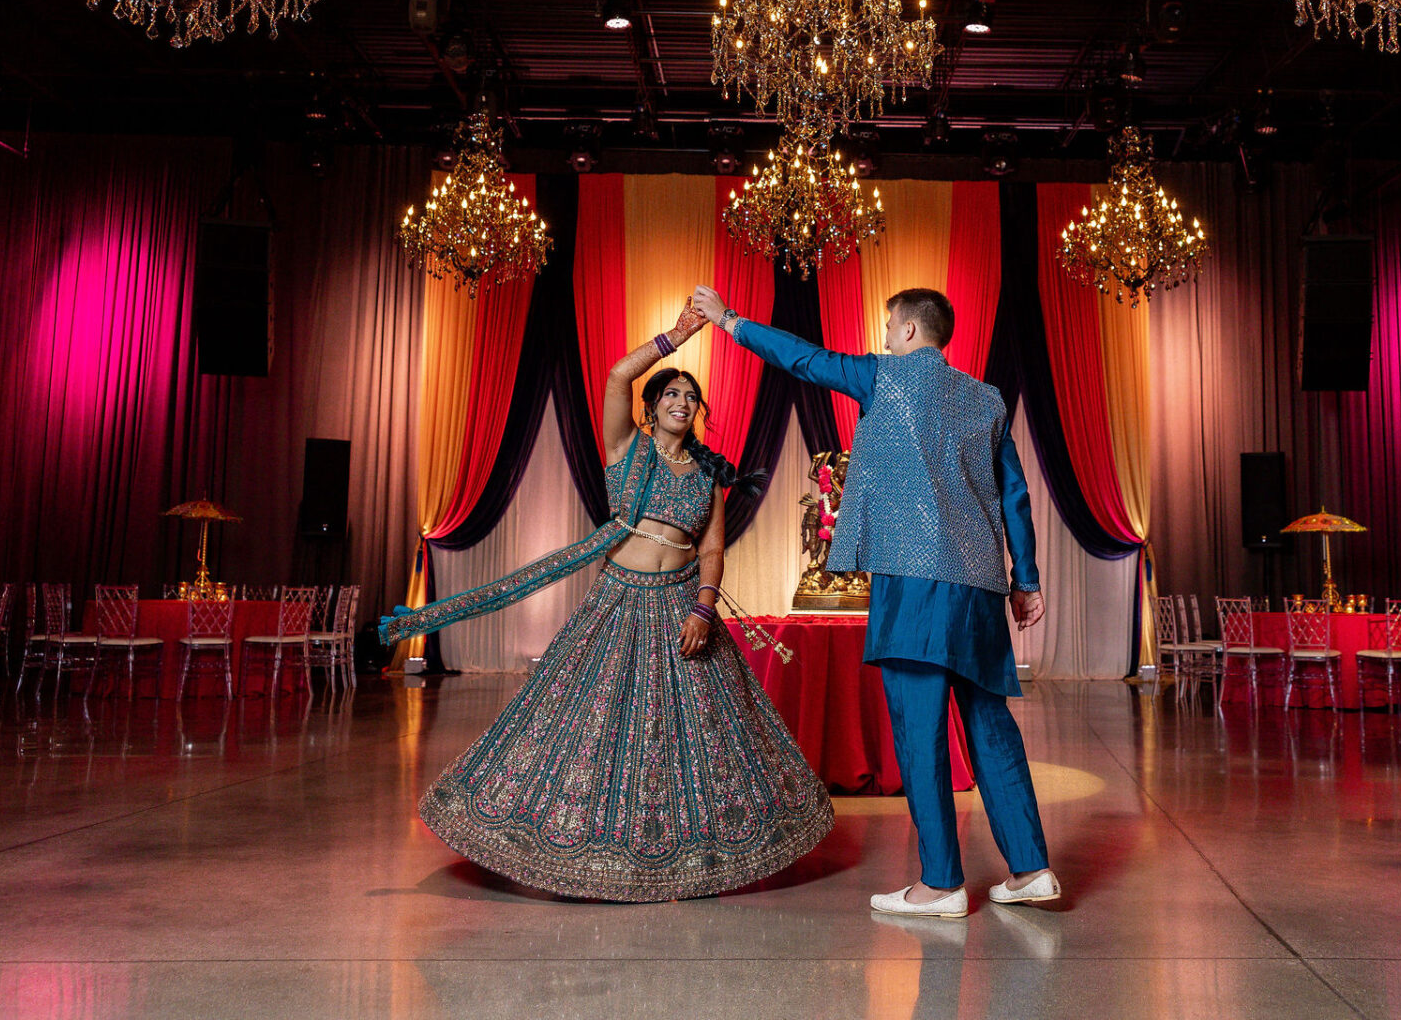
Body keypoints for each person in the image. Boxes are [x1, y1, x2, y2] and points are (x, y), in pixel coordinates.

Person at [378, 305, 833, 901]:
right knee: (582, 720)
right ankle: (565, 841)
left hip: (681, 607)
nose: (682, 402)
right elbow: (618, 375)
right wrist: (678, 336)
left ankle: (689, 854)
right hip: (617, 600)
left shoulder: (708, 476)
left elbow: (712, 549)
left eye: (691, 397)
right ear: (652, 408)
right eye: (671, 394)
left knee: (696, 734)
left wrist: (703, 608)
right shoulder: (627, 450)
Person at [690, 283, 1057, 919]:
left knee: (920, 732)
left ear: (909, 330)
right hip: (979, 588)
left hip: (913, 583)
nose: (885, 337)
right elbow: (1015, 495)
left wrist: (729, 320)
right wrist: (1026, 580)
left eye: (889, 327)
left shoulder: (883, 378)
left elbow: (803, 358)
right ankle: (1031, 870)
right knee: (990, 725)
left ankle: (941, 883)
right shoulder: (987, 398)